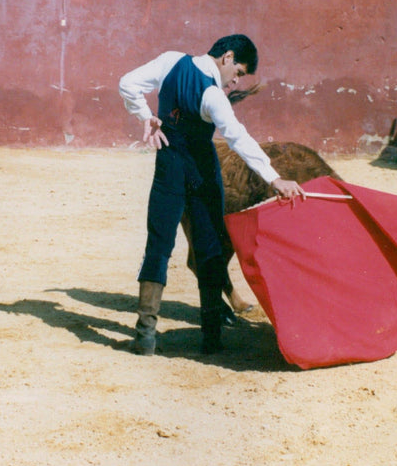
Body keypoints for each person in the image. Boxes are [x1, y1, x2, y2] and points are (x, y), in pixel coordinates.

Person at [119, 34, 306, 356]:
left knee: (158, 244)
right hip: (202, 171)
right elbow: (238, 137)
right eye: (239, 72)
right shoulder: (212, 93)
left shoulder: (170, 61)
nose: (235, 81)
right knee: (209, 246)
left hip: (168, 164)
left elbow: (127, 83)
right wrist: (275, 178)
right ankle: (211, 337)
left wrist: (144, 115)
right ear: (227, 57)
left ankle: (145, 335)